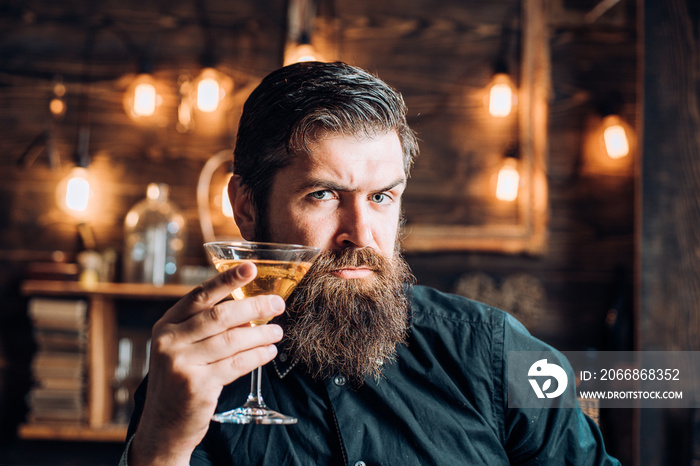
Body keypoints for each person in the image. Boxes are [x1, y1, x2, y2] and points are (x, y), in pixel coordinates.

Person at [122, 61, 620, 465]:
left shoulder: (493, 352)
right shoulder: (187, 385)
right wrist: (161, 449)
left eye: (382, 196)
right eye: (322, 195)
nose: (360, 234)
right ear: (247, 206)